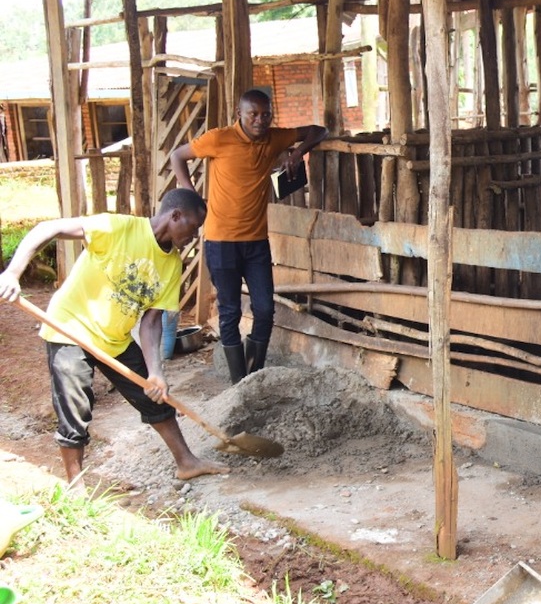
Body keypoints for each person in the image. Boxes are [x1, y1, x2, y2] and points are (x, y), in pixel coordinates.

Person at [0, 188, 229, 485]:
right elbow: (49, 228)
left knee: (155, 398)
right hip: (71, 328)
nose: (195, 235)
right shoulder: (117, 227)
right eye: (194, 226)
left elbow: (150, 321)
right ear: (175, 216)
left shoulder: (172, 264)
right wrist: (12, 273)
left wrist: (156, 373)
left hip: (115, 339)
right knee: (75, 408)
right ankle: (75, 485)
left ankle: (186, 462)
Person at [170, 89, 327, 383]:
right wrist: (190, 194)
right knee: (229, 312)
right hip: (221, 242)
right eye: (253, 114)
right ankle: (237, 381)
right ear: (238, 114)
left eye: (265, 114)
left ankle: (252, 377)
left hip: (256, 243)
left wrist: (296, 151)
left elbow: (320, 130)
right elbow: (177, 155)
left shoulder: (276, 138)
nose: (260, 120)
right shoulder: (219, 138)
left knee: (265, 309)